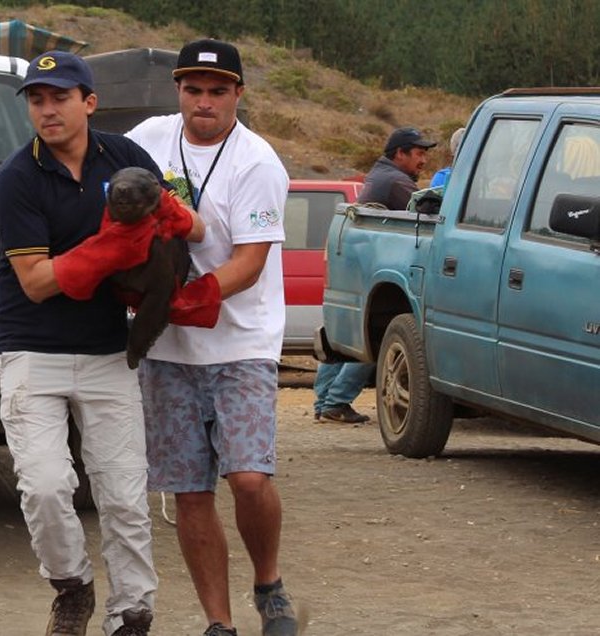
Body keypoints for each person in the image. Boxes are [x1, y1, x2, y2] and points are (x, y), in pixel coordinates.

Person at [0, 50, 205, 636]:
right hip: (32, 346)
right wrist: (109, 251)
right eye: (36, 99)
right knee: (45, 486)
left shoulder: (128, 157)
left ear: (89, 102)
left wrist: (178, 225)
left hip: (111, 348)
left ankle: (132, 611)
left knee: (124, 494)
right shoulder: (17, 177)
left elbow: (189, 226)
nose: (47, 109)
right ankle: (72, 586)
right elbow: (35, 284)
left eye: (59, 97)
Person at [125, 39, 297, 636]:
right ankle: (218, 622)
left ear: (237, 95)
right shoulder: (147, 139)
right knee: (190, 491)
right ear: (178, 90)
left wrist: (195, 297)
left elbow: (250, 261)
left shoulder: (257, 162)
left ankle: (268, 582)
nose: (204, 102)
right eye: (193, 89)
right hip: (167, 349)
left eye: (217, 91)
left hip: (241, 341)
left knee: (248, 477)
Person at [313, 126, 439, 425]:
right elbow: (432, 212)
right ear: (400, 154)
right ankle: (337, 401)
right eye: (419, 153)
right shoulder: (396, 182)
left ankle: (325, 402)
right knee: (380, 335)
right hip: (379, 269)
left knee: (346, 333)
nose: (423, 160)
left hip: (359, 263)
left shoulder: (379, 175)